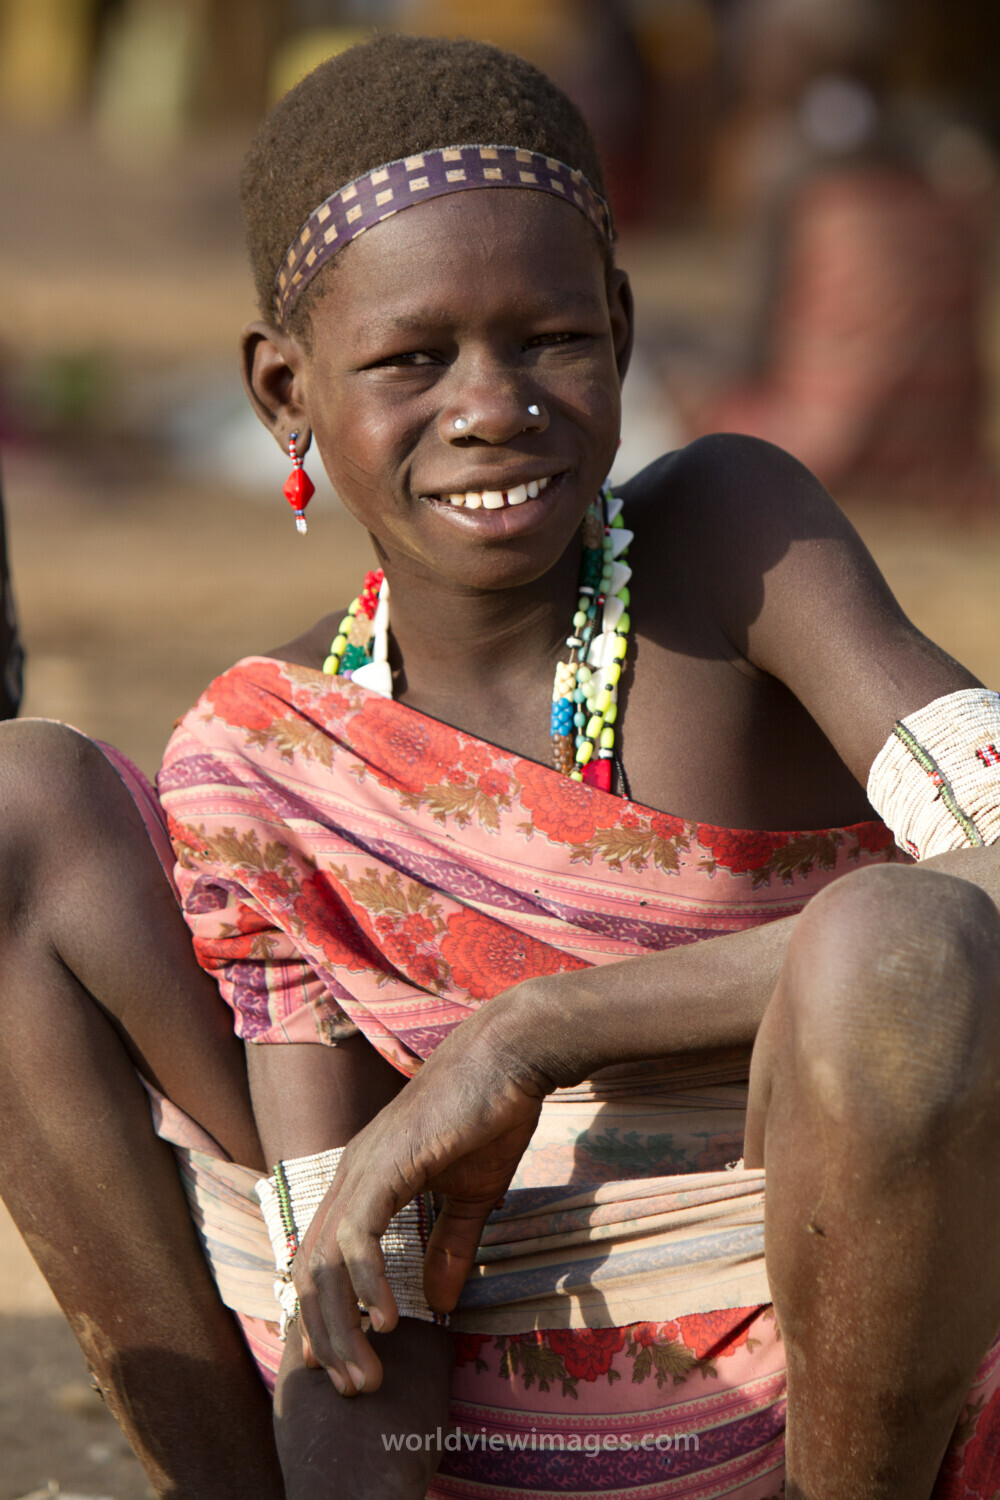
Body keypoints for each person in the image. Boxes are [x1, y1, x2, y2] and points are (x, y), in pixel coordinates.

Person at [3, 30, 1000, 1500]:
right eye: (412, 357)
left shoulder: (733, 546)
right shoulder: (271, 756)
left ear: (622, 325)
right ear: (284, 392)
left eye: (549, 339)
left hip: (841, 1388)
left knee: (902, 943)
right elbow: (360, 1268)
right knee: (15, 799)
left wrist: (529, 1034)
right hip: (463, 1429)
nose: (492, 406)